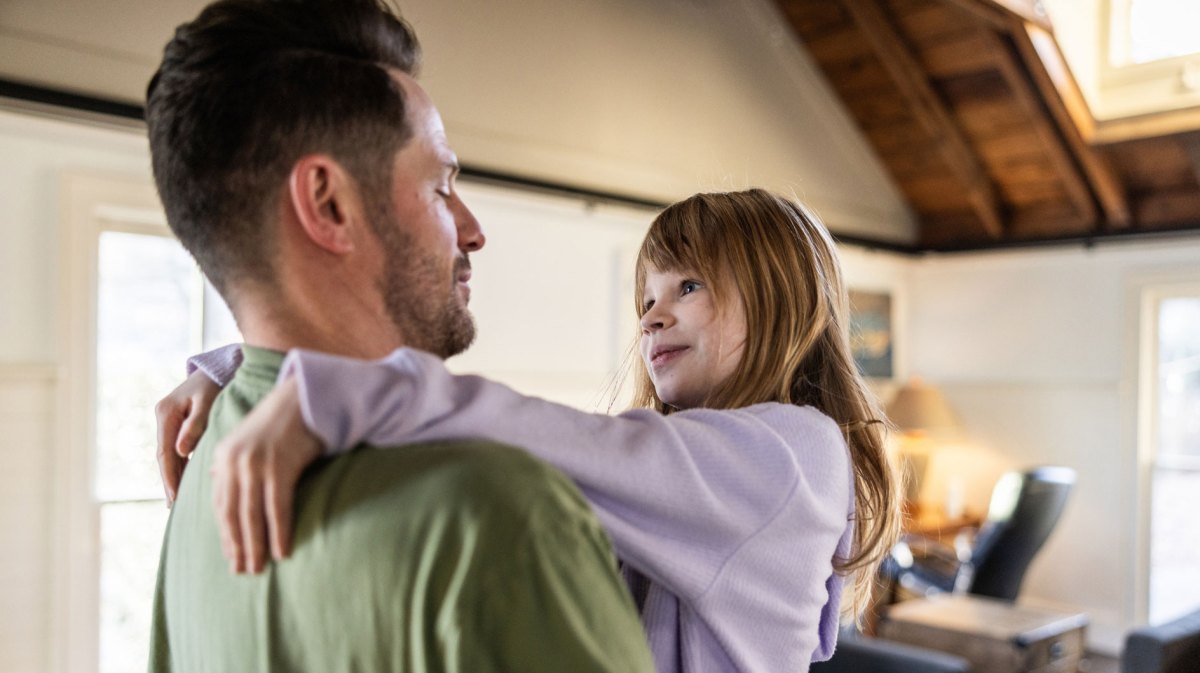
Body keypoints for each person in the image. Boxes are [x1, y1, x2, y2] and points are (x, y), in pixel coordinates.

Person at [160, 189, 904, 672]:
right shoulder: (701, 461)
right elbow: (516, 438)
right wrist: (248, 367)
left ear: (783, 298)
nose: (651, 314)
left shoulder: (789, 455)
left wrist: (318, 388)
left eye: (689, 285)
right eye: (646, 295)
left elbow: (546, 434)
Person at [143, 0, 657, 671]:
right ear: (329, 205)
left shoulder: (201, 469)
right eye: (442, 185)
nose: (472, 229)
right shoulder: (499, 521)